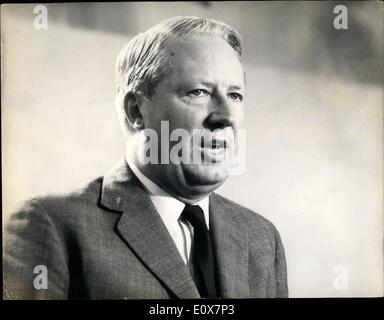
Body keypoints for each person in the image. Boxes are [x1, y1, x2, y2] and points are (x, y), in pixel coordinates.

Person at [3, 16, 288, 299]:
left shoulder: (262, 238)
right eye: (198, 92)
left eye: (235, 96)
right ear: (135, 111)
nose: (225, 117)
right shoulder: (52, 225)